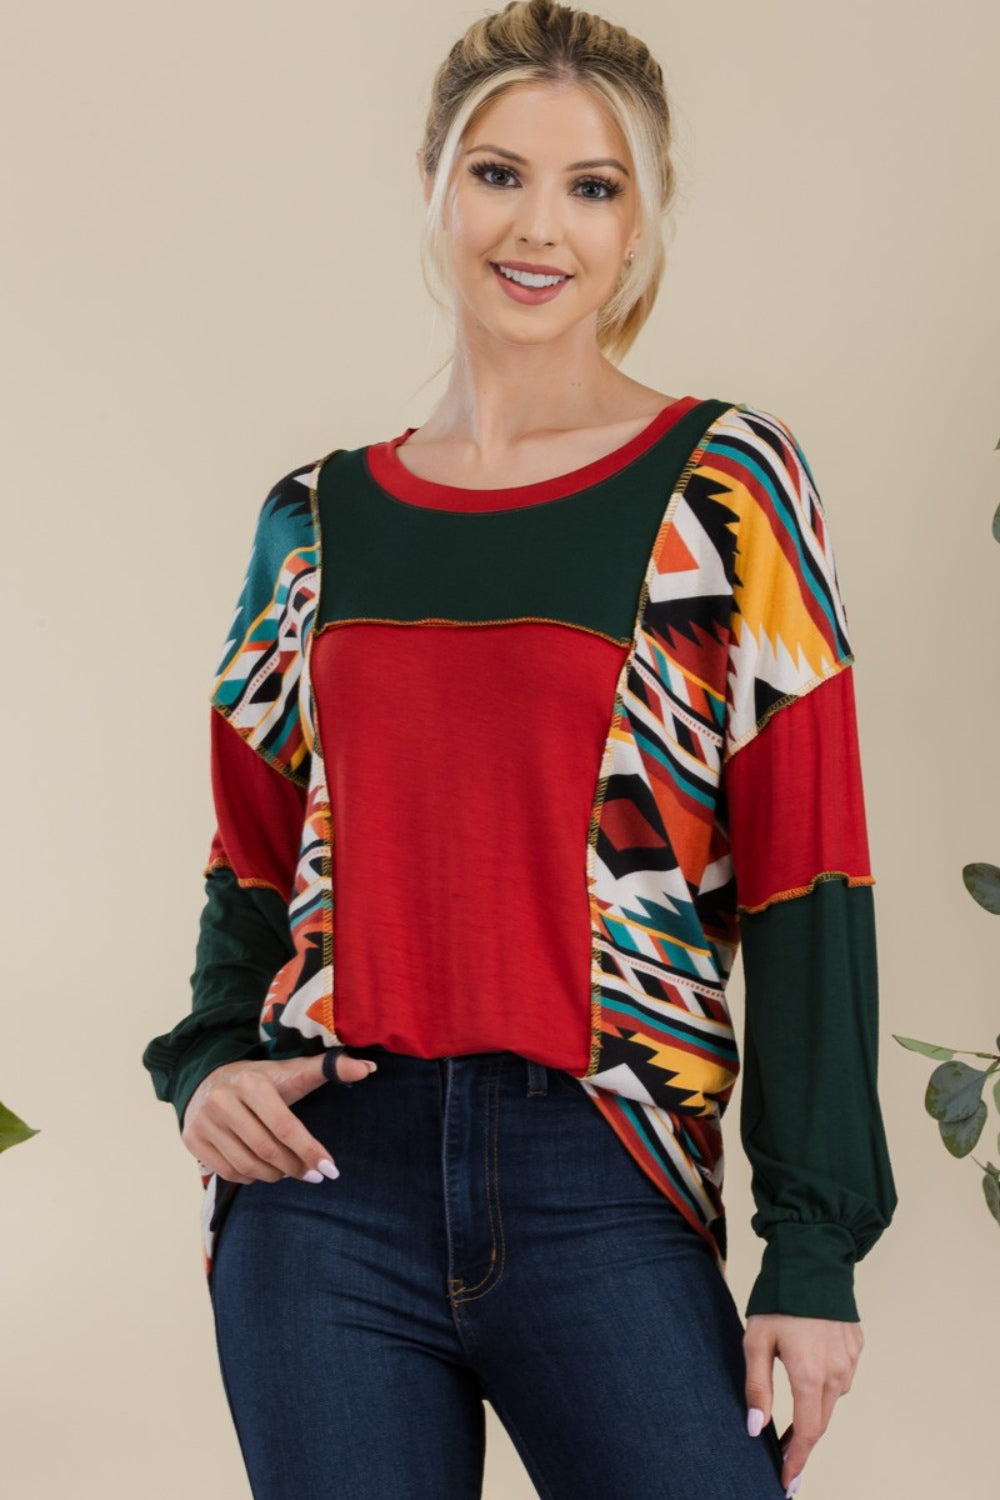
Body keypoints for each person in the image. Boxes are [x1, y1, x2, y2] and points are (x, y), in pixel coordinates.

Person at [141, 3, 898, 1496]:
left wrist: (812, 1249)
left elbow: (811, 874)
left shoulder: (724, 486)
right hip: (323, 1183)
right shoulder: (315, 518)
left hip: (601, 1170)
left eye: (591, 186)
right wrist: (212, 1059)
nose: (540, 226)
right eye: (499, 174)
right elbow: (252, 856)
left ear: (640, 223)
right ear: (435, 185)